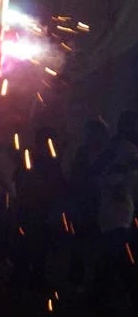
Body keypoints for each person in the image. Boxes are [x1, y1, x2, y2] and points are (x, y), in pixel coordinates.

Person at [90, 110, 138, 316]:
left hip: (116, 212)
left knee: (111, 257)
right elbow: (106, 175)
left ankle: (97, 300)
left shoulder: (115, 148)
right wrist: (118, 185)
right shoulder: (124, 149)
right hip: (117, 213)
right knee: (123, 258)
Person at [10, 126, 67, 295]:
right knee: (29, 244)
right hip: (31, 208)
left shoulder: (49, 160)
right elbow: (20, 179)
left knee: (38, 245)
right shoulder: (33, 158)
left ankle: (31, 278)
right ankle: (22, 279)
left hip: (41, 208)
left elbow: (58, 183)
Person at [66, 118, 110, 291]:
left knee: (99, 245)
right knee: (81, 242)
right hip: (84, 204)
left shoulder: (107, 154)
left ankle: (99, 283)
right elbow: (75, 176)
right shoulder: (83, 153)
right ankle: (77, 279)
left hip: (102, 205)